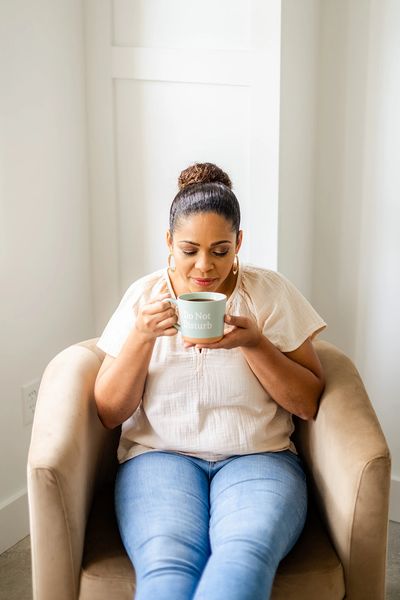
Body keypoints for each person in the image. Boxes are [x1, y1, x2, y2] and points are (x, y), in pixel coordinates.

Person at [94, 162, 327, 600]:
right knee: (166, 563)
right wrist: (142, 338)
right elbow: (108, 412)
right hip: (159, 457)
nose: (205, 267)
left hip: (259, 457)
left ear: (239, 243)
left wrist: (255, 345)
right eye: (189, 250)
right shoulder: (143, 297)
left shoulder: (269, 293)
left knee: (242, 555)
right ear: (168, 243)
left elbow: (309, 403)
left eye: (221, 251)